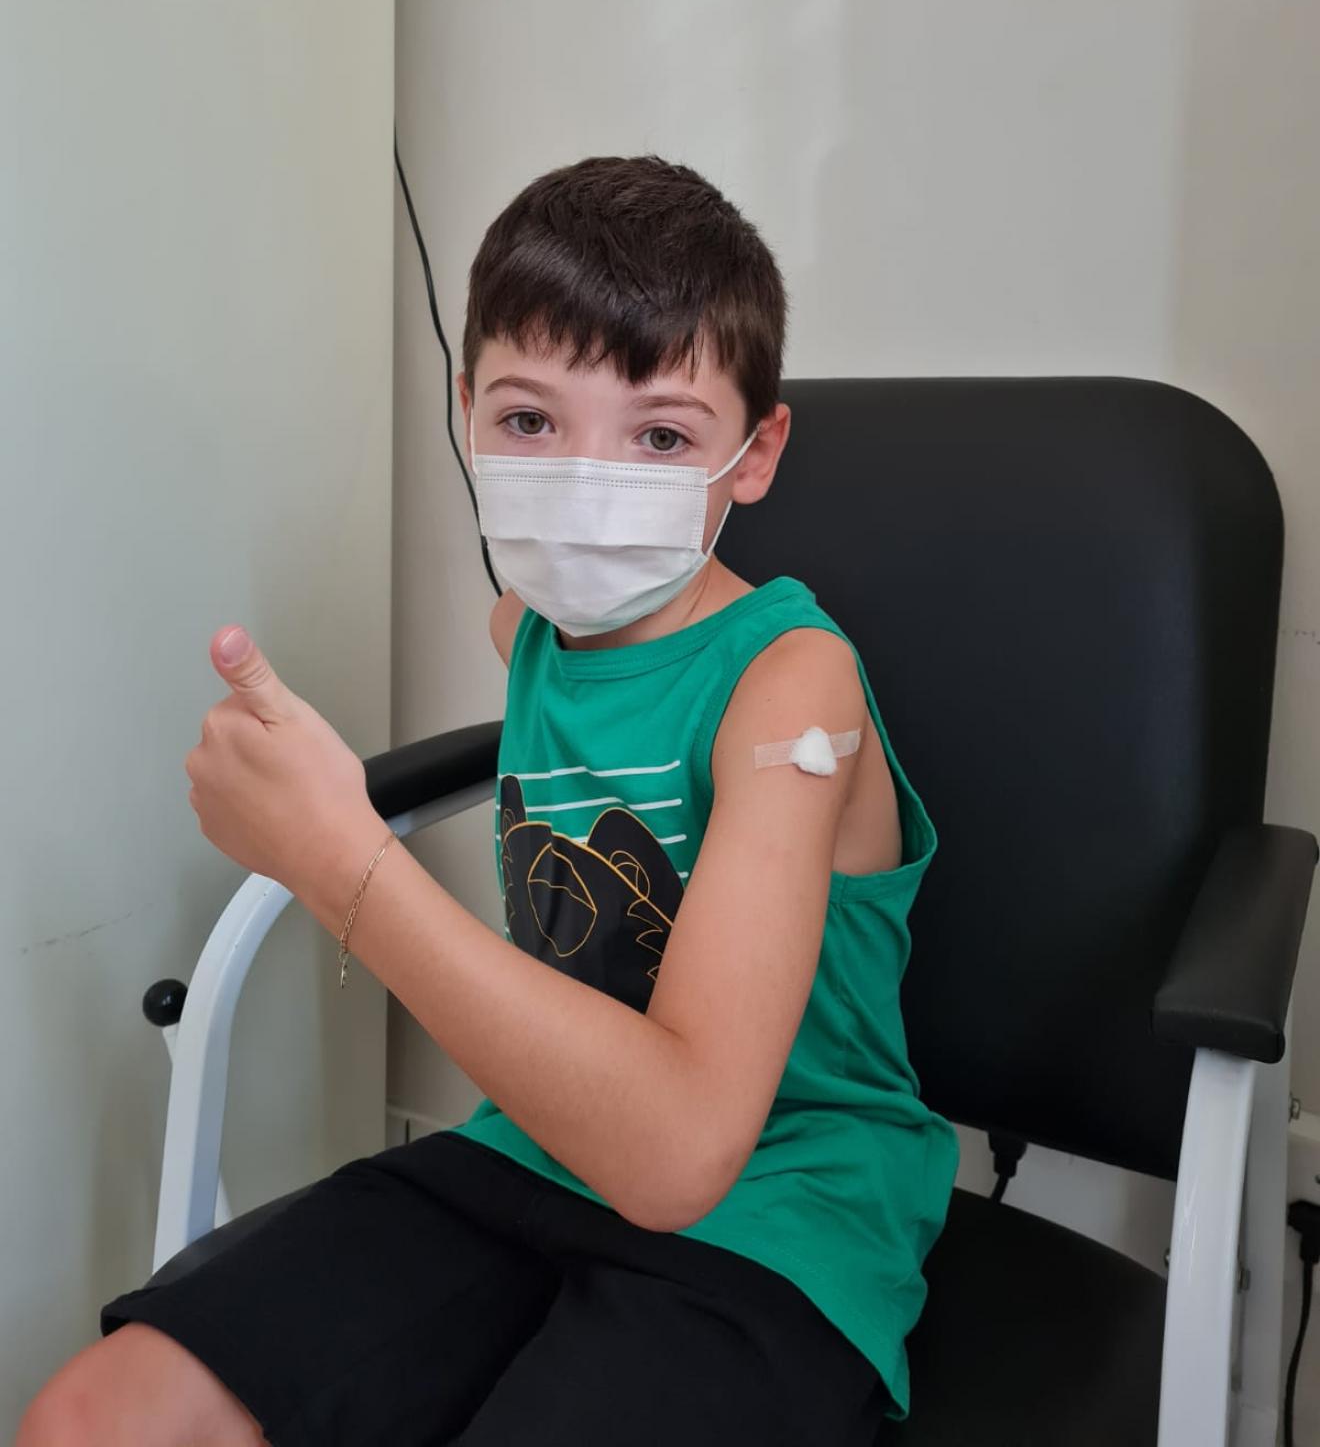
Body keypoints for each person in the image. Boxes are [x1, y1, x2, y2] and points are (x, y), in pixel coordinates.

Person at [19, 155, 958, 1446]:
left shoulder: (796, 687)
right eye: (529, 422)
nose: (585, 486)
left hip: (781, 1208)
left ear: (756, 455)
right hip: (539, 1145)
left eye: (661, 437)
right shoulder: (532, 625)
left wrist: (339, 861)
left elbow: (681, 1155)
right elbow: (538, 629)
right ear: (466, 410)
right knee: (91, 1418)